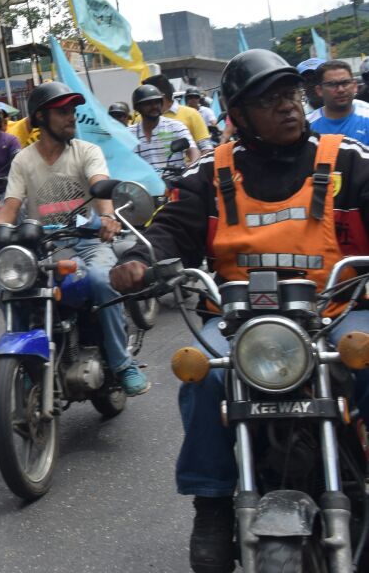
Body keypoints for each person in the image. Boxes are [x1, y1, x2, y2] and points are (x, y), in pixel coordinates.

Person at [110, 50, 369, 573]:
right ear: (238, 115)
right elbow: (170, 228)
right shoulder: (211, 172)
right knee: (203, 376)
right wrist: (141, 260)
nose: (288, 108)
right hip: (239, 321)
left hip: (337, 311)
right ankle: (211, 503)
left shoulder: (348, 161)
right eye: (269, 100)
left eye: (291, 96)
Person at [0, 81, 148, 396]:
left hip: (89, 242)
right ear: (41, 118)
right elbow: (11, 206)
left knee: (103, 280)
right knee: (10, 286)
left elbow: (100, 185)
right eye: (62, 112)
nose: (71, 117)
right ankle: (29, 362)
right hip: (45, 248)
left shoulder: (87, 151)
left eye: (72, 111)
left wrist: (108, 217)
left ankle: (121, 363)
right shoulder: (23, 160)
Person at [130, 83, 199, 174]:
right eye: (148, 104)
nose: (154, 106)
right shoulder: (129, 134)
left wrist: (193, 164)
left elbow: (193, 151)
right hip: (143, 185)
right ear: (138, 108)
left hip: (174, 183)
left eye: (157, 102)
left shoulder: (176, 126)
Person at [134, 73, 210, 151]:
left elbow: (206, 147)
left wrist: (194, 162)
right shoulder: (140, 119)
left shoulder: (191, 114)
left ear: (161, 96)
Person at [308, 59, 369, 145]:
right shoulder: (307, 126)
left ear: (355, 86)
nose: (340, 90)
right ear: (319, 90)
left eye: (345, 83)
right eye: (332, 84)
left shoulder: (366, 117)